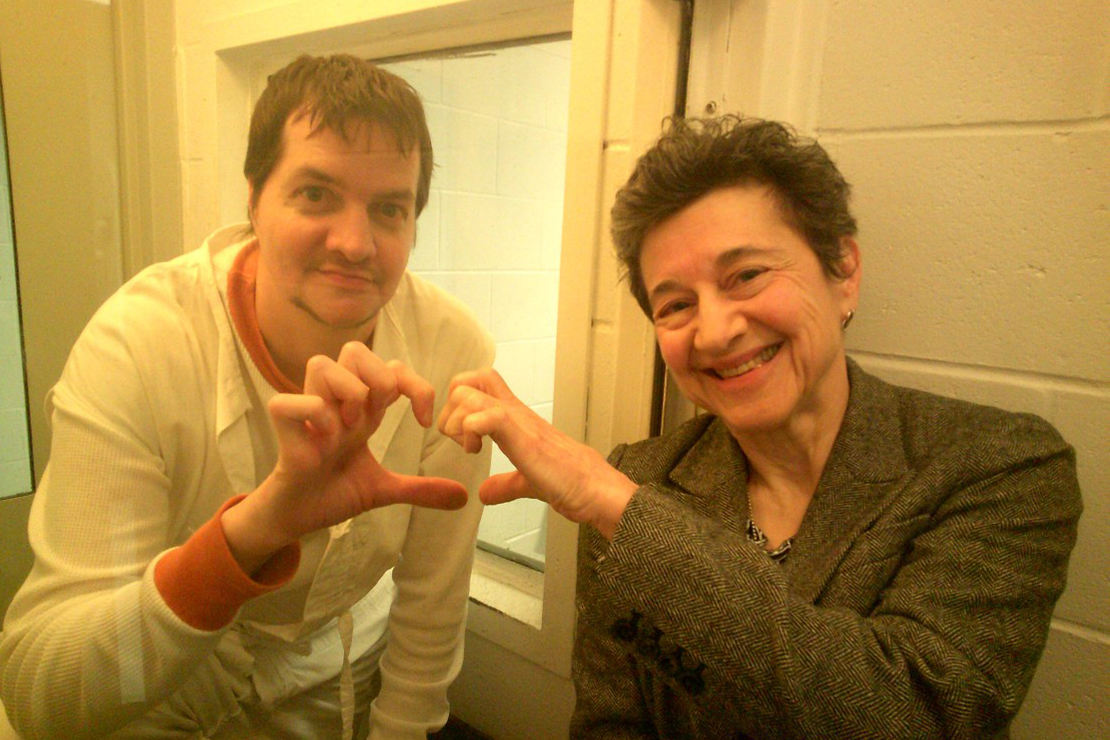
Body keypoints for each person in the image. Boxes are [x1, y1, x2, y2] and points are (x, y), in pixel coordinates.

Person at [437, 115, 1082, 738]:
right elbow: (611, 722)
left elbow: (914, 714)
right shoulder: (639, 478)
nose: (715, 331)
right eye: (676, 305)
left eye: (746, 276)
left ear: (844, 272)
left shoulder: (999, 466)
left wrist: (621, 511)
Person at [0, 54, 494, 740]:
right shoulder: (141, 345)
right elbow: (39, 696)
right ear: (254, 198)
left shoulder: (450, 352)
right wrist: (250, 535)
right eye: (315, 194)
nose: (355, 244)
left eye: (389, 208)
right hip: (163, 663)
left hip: (341, 665)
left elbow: (431, 614)